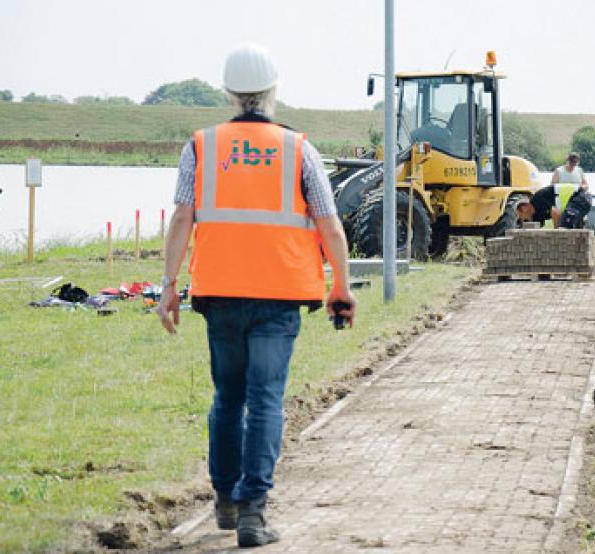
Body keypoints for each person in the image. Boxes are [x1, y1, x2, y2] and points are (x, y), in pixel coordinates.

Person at [155, 43, 356, 549]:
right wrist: (340, 285)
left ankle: (224, 500)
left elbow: (182, 217)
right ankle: (253, 514)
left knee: (228, 397)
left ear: (228, 92)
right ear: (272, 92)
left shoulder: (200, 147)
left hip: (219, 293)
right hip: (280, 295)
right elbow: (329, 224)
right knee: (265, 400)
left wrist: (168, 285)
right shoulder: (299, 150)